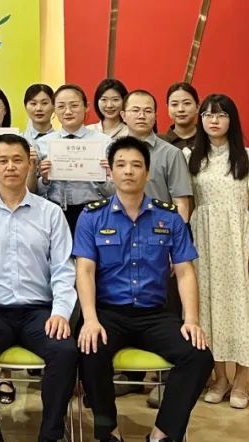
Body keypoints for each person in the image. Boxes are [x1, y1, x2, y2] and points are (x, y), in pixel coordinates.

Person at [75, 136, 213, 442]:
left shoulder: (169, 217)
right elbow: (84, 270)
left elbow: (185, 272)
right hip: (108, 313)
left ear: (147, 173)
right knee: (89, 349)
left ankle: (162, 433)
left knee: (199, 356)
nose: (128, 171)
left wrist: (191, 320)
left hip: (154, 315)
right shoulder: (92, 216)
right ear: (110, 172)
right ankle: (108, 431)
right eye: (121, 165)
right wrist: (90, 319)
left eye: (136, 165)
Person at [0, 134, 78, 442]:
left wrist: (60, 313)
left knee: (64, 350)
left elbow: (64, 269)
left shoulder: (50, 212)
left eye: (17, 160)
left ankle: (51, 434)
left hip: (39, 311)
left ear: (29, 164)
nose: (10, 166)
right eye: (3, 160)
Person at [188, 94, 249, 410]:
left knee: (242, 309)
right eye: (208, 114)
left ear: (232, 120)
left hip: (237, 240)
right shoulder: (191, 157)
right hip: (203, 241)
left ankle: (242, 382)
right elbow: (188, 203)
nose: (214, 120)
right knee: (208, 308)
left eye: (221, 115)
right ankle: (219, 377)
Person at [36, 84, 112, 233]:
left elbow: (114, 191)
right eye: (61, 106)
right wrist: (44, 180)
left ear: (86, 107)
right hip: (55, 212)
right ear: (54, 110)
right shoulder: (43, 143)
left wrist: (102, 178)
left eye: (74, 105)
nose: (68, 111)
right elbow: (34, 191)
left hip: (94, 212)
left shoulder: (104, 143)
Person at [122, 91, 193, 223]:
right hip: (118, 228)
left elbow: (181, 203)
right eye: (135, 110)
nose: (141, 116)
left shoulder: (172, 154)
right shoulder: (111, 151)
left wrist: (178, 232)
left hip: (158, 228)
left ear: (155, 116)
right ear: (123, 115)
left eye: (148, 111)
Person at [162, 83, 199, 153]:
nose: (180, 109)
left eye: (187, 103)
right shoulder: (159, 143)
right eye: (174, 104)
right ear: (168, 108)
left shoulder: (209, 140)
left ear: (197, 107)